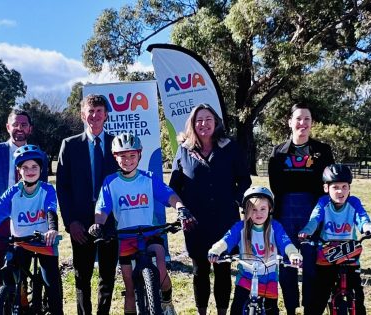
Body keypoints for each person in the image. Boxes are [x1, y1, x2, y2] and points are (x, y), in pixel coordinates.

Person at [88, 133, 196, 315]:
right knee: (129, 290)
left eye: (132, 155)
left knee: (161, 271)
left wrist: (180, 207)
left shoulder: (148, 177)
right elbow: (102, 209)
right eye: (122, 156)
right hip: (125, 237)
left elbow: (168, 195)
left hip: (150, 233)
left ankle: (167, 301)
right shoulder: (110, 182)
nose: (128, 160)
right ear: (115, 157)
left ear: (139, 155)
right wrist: (98, 224)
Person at [169, 103, 251, 315]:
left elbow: (244, 179)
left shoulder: (230, 147)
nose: (203, 124)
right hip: (195, 222)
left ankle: (222, 312)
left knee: (223, 270)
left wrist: (235, 200)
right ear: (192, 125)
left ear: (216, 122)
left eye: (208, 119)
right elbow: (174, 186)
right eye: (198, 120)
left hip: (225, 220)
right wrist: (181, 209)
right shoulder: (184, 150)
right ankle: (202, 312)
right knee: (200, 271)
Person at [0, 145, 63, 314]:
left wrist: (52, 229)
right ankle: (19, 305)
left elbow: (51, 211)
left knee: (51, 283)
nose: (30, 171)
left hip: (44, 242)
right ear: (19, 171)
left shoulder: (47, 190)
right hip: (21, 242)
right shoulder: (14, 191)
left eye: (34, 167)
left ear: (41, 169)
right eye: (25, 167)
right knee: (11, 276)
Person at [0, 109, 48, 308]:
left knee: (21, 267)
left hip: (25, 219)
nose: (19, 128)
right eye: (15, 124)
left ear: (30, 129)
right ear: (8, 127)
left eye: (24, 125)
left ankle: (21, 304)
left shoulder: (38, 154)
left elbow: (42, 187)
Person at [268, 102, 335, 314]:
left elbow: (329, 185)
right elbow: (275, 187)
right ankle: (290, 307)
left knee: (311, 266)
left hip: (313, 214)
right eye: (298, 118)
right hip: (285, 214)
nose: (302, 123)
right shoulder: (277, 153)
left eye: (307, 119)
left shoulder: (323, 151)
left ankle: (310, 308)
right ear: (290, 122)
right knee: (287, 264)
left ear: (311, 123)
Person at [56, 94, 119, 315]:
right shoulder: (70, 145)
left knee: (107, 276)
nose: (94, 116)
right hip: (80, 222)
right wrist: (70, 221)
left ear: (106, 115)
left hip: (110, 220)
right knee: (82, 277)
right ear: (83, 115)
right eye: (90, 111)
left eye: (99, 111)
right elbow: (62, 187)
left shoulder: (118, 144)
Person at [298, 164, 371, 315]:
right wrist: (306, 231)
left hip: (349, 255)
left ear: (350, 188)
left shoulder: (354, 202)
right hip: (327, 255)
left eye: (344, 187)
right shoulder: (323, 202)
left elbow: (363, 219)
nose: (341, 191)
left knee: (358, 298)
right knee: (318, 297)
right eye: (336, 187)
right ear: (326, 188)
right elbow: (315, 218)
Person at [207, 186, 302, 315]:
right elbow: (226, 240)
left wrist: (293, 254)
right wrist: (216, 250)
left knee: (271, 310)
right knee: (236, 309)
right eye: (254, 209)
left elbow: (286, 243)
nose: (259, 213)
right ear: (246, 210)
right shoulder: (240, 227)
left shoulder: (275, 227)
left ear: (270, 209)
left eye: (263, 209)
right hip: (245, 277)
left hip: (269, 279)